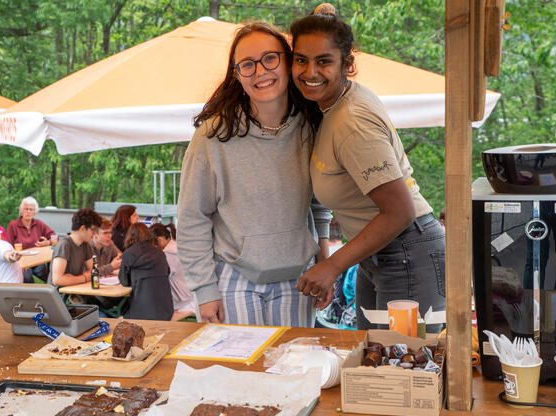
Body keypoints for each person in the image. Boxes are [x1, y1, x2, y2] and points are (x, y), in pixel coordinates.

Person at [289, 6, 446, 331]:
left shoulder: (352, 121)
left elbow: (399, 211)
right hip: (380, 255)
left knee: (401, 374)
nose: (309, 71)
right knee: (374, 370)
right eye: (301, 59)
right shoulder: (334, 106)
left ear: (348, 64)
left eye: (324, 61)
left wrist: (332, 266)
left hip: (406, 251)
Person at [176, 22, 331, 327]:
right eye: (247, 65)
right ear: (236, 75)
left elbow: (320, 200)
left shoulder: (313, 126)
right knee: (242, 374)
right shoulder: (212, 137)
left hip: (297, 280)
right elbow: (192, 219)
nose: (261, 71)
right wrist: (204, 291)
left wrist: (324, 263)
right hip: (233, 279)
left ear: (287, 61)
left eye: (270, 58)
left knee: (294, 371)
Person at [119, 223, 174, 321]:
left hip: (140, 312)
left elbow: (124, 281)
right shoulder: (160, 254)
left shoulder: (128, 254)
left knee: (117, 314)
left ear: (130, 236)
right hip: (165, 310)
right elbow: (167, 272)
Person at [150, 223, 196, 321]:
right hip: (189, 296)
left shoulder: (169, 254)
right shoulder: (176, 246)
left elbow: (159, 277)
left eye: (153, 244)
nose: (152, 247)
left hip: (182, 302)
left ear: (160, 240)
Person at [48, 208, 103, 286]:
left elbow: (94, 271)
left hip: (75, 290)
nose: (94, 234)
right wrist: (84, 278)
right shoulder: (64, 245)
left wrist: (72, 279)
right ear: (83, 228)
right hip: (60, 295)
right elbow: (57, 280)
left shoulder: (85, 245)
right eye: (93, 230)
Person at [6, 196, 55, 282]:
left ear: (35, 212)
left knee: (50, 275)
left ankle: (52, 293)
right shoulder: (13, 225)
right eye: (26, 209)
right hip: (21, 261)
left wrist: (48, 242)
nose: (28, 212)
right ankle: (31, 295)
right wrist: (20, 263)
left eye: (31, 209)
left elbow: (54, 236)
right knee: (27, 278)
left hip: (37, 260)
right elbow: (8, 247)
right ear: (21, 211)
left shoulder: (39, 224)